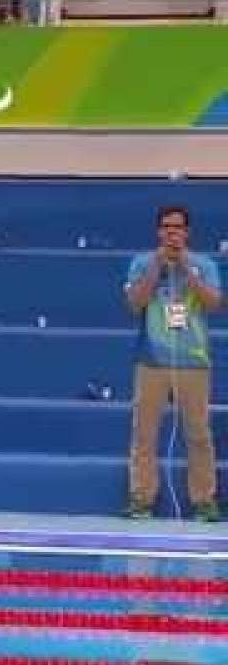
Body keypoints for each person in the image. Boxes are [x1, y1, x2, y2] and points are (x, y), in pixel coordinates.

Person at [122, 205, 222, 522]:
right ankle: (141, 499)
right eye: (166, 227)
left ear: (187, 232)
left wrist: (188, 269)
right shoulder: (142, 263)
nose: (172, 232)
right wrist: (157, 267)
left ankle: (204, 501)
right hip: (150, 361)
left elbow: (214, 303)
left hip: (193, 361)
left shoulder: (204, 264)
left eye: (177, 227)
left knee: (199, 434)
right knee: (144, 433)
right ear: (158, 231)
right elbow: (135, 303)